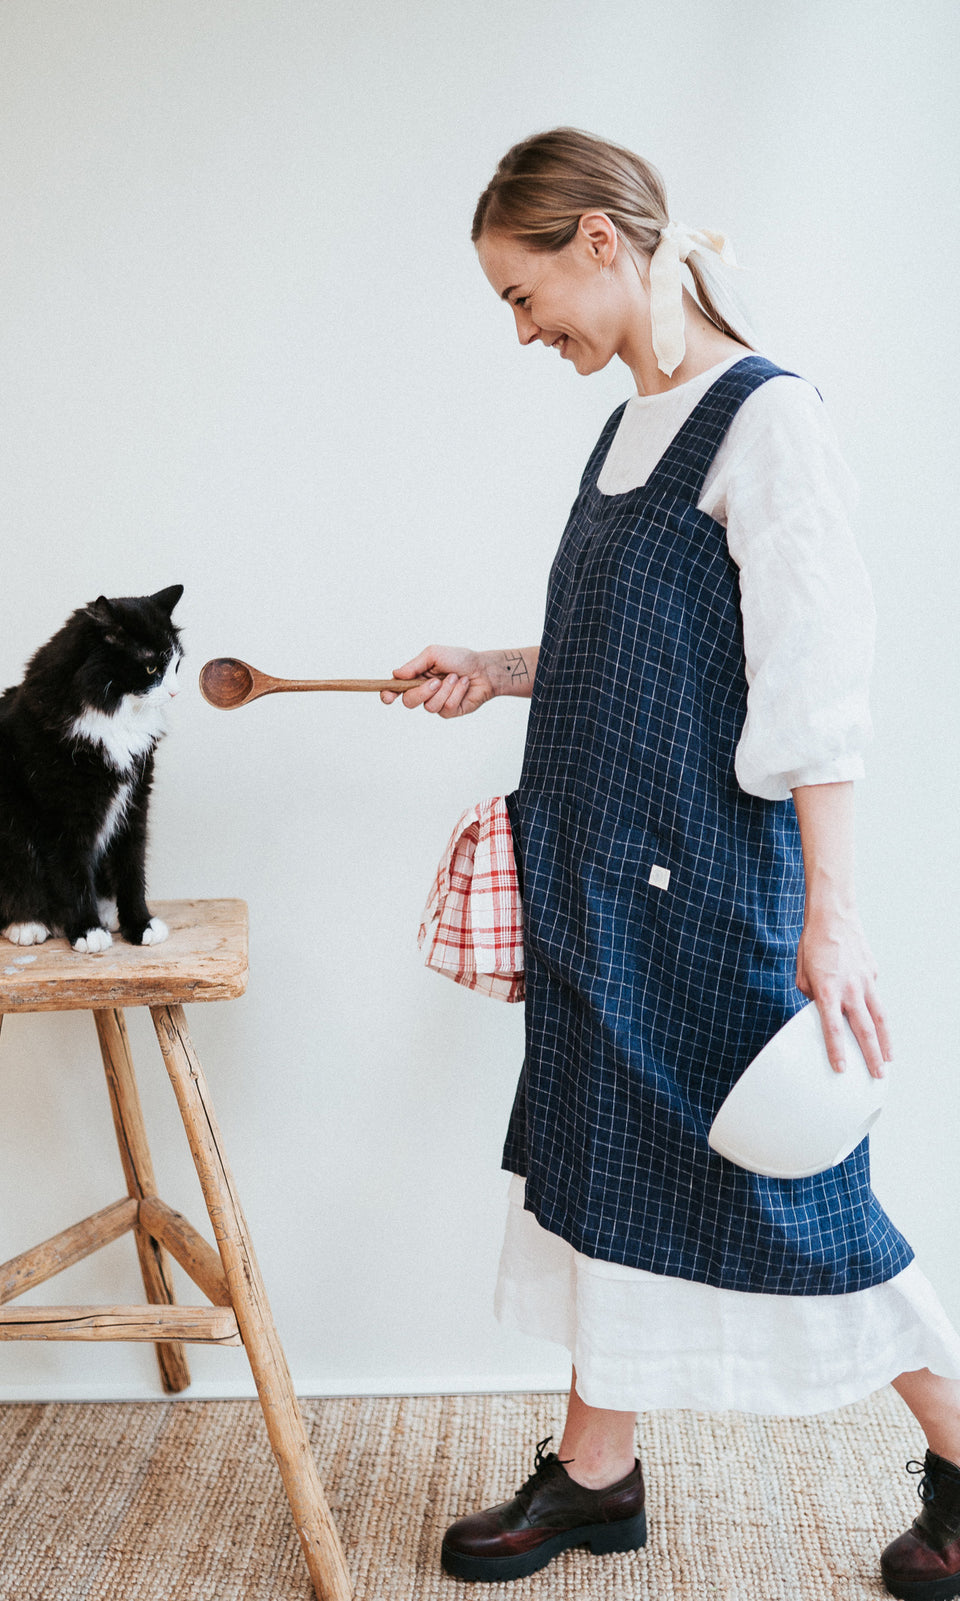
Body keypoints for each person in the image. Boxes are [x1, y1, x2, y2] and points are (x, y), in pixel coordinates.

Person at [382, 126, 960, 1596]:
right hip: (599, 885)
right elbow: (628, 653)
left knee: (799, 1198)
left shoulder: (767, 420)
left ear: (597, 241)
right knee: (606, 1175)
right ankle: (595, 1476)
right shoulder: (633, 421)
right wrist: (494, 666)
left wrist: (829, 919)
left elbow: (818, 687)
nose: (523, 333)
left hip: (703, 898)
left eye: (525, 296)